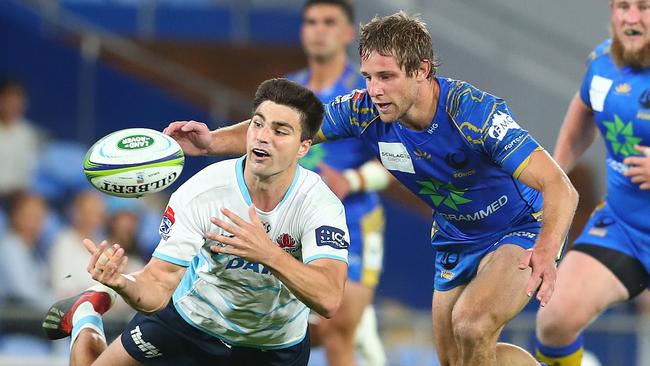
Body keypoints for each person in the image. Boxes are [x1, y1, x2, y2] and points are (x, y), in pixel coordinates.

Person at [164, 11, 578, 366]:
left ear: (421, 70)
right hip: (455, 236)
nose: (375, 89)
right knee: (459, 359)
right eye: (368, 76)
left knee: (472, 324)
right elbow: (283, 131)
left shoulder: (475, 114)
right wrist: (211, 142)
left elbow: (561, 187)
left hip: (518, 227)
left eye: (386, 76)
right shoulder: (364, 110)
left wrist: (546, 248)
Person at [41, 78, 350, 366]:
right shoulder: (203, 193)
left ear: (304, 147)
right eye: (258, 124)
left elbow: (329, 298)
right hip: (192, 321)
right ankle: (85, 313)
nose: (264, 137)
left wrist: (268, 253)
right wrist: (122, 283)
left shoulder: (318, 205)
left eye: (280, 131)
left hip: (275, 345)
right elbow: (159, 285)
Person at [535, 1, 650, 365]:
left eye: (644, 8)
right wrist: (554, 177)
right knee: (554, 321)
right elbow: (582, 116)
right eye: (623, 6)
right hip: (625, 229)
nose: (630, 18)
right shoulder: (601, 65)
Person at [288, 1, 391, 365]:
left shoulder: (366, 94)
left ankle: (359, 325)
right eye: (311, 22)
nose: (319, 29)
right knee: (290, 331)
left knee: (338, 328)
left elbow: (397, 162)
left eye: (329, 22)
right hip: (296, 222)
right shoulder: (287, 91)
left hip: (355, 222)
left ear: (348, 33)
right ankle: (366, 332)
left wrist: (349, 179)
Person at [0, 78, 40, 202]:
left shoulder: (30, 134)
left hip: (21, 199)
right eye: (8, 100)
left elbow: (33, 173)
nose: (13, 104)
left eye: (17, 100)